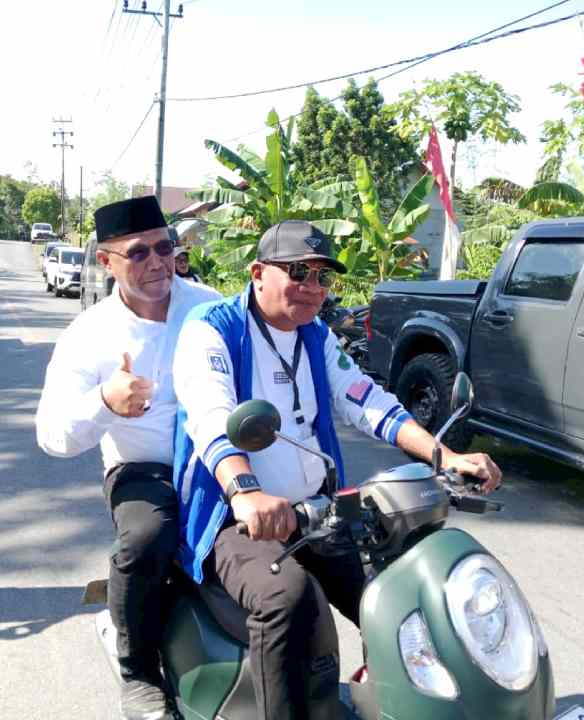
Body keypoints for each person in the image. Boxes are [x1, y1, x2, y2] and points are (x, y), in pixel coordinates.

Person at [170, 220, 501, 719]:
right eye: (298, 272)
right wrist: (246, 492)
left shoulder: (315, 334)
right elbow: (211, 414)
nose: (313, 288)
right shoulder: (212, 328)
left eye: (323, 278)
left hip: (317, 512)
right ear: (258, 273)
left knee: (396, 595)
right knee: (285, 598)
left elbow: (365, 400)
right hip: (234, 517)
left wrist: (445, 456)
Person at [35, 195, 222, 720]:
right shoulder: (88, 335)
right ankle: (138, 669)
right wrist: (105, 403)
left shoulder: (209, 306)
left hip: (214, 458)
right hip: (141, 469)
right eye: (139, 253)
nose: (158, 262)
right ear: (105, 262)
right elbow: (52, 435)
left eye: (165, 247)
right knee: (145, 539)